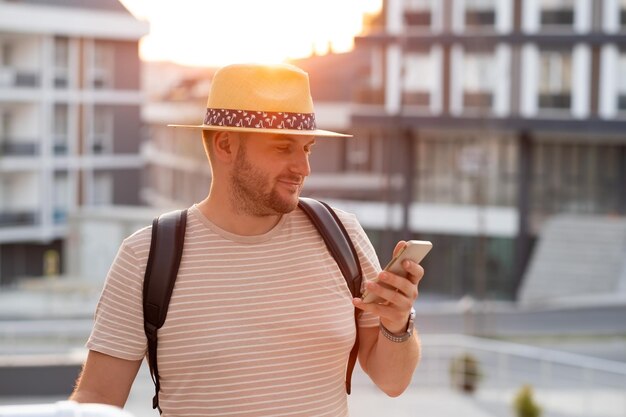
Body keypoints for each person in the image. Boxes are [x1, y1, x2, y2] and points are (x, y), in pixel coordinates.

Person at [70, 63, 424, 416]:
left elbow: (393, 382)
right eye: (283, 147)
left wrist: (397, 324)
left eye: (307, 148)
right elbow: (96, 399)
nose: (303, 168)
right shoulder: (146, 257)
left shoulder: (341, 234)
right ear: (225, 144)